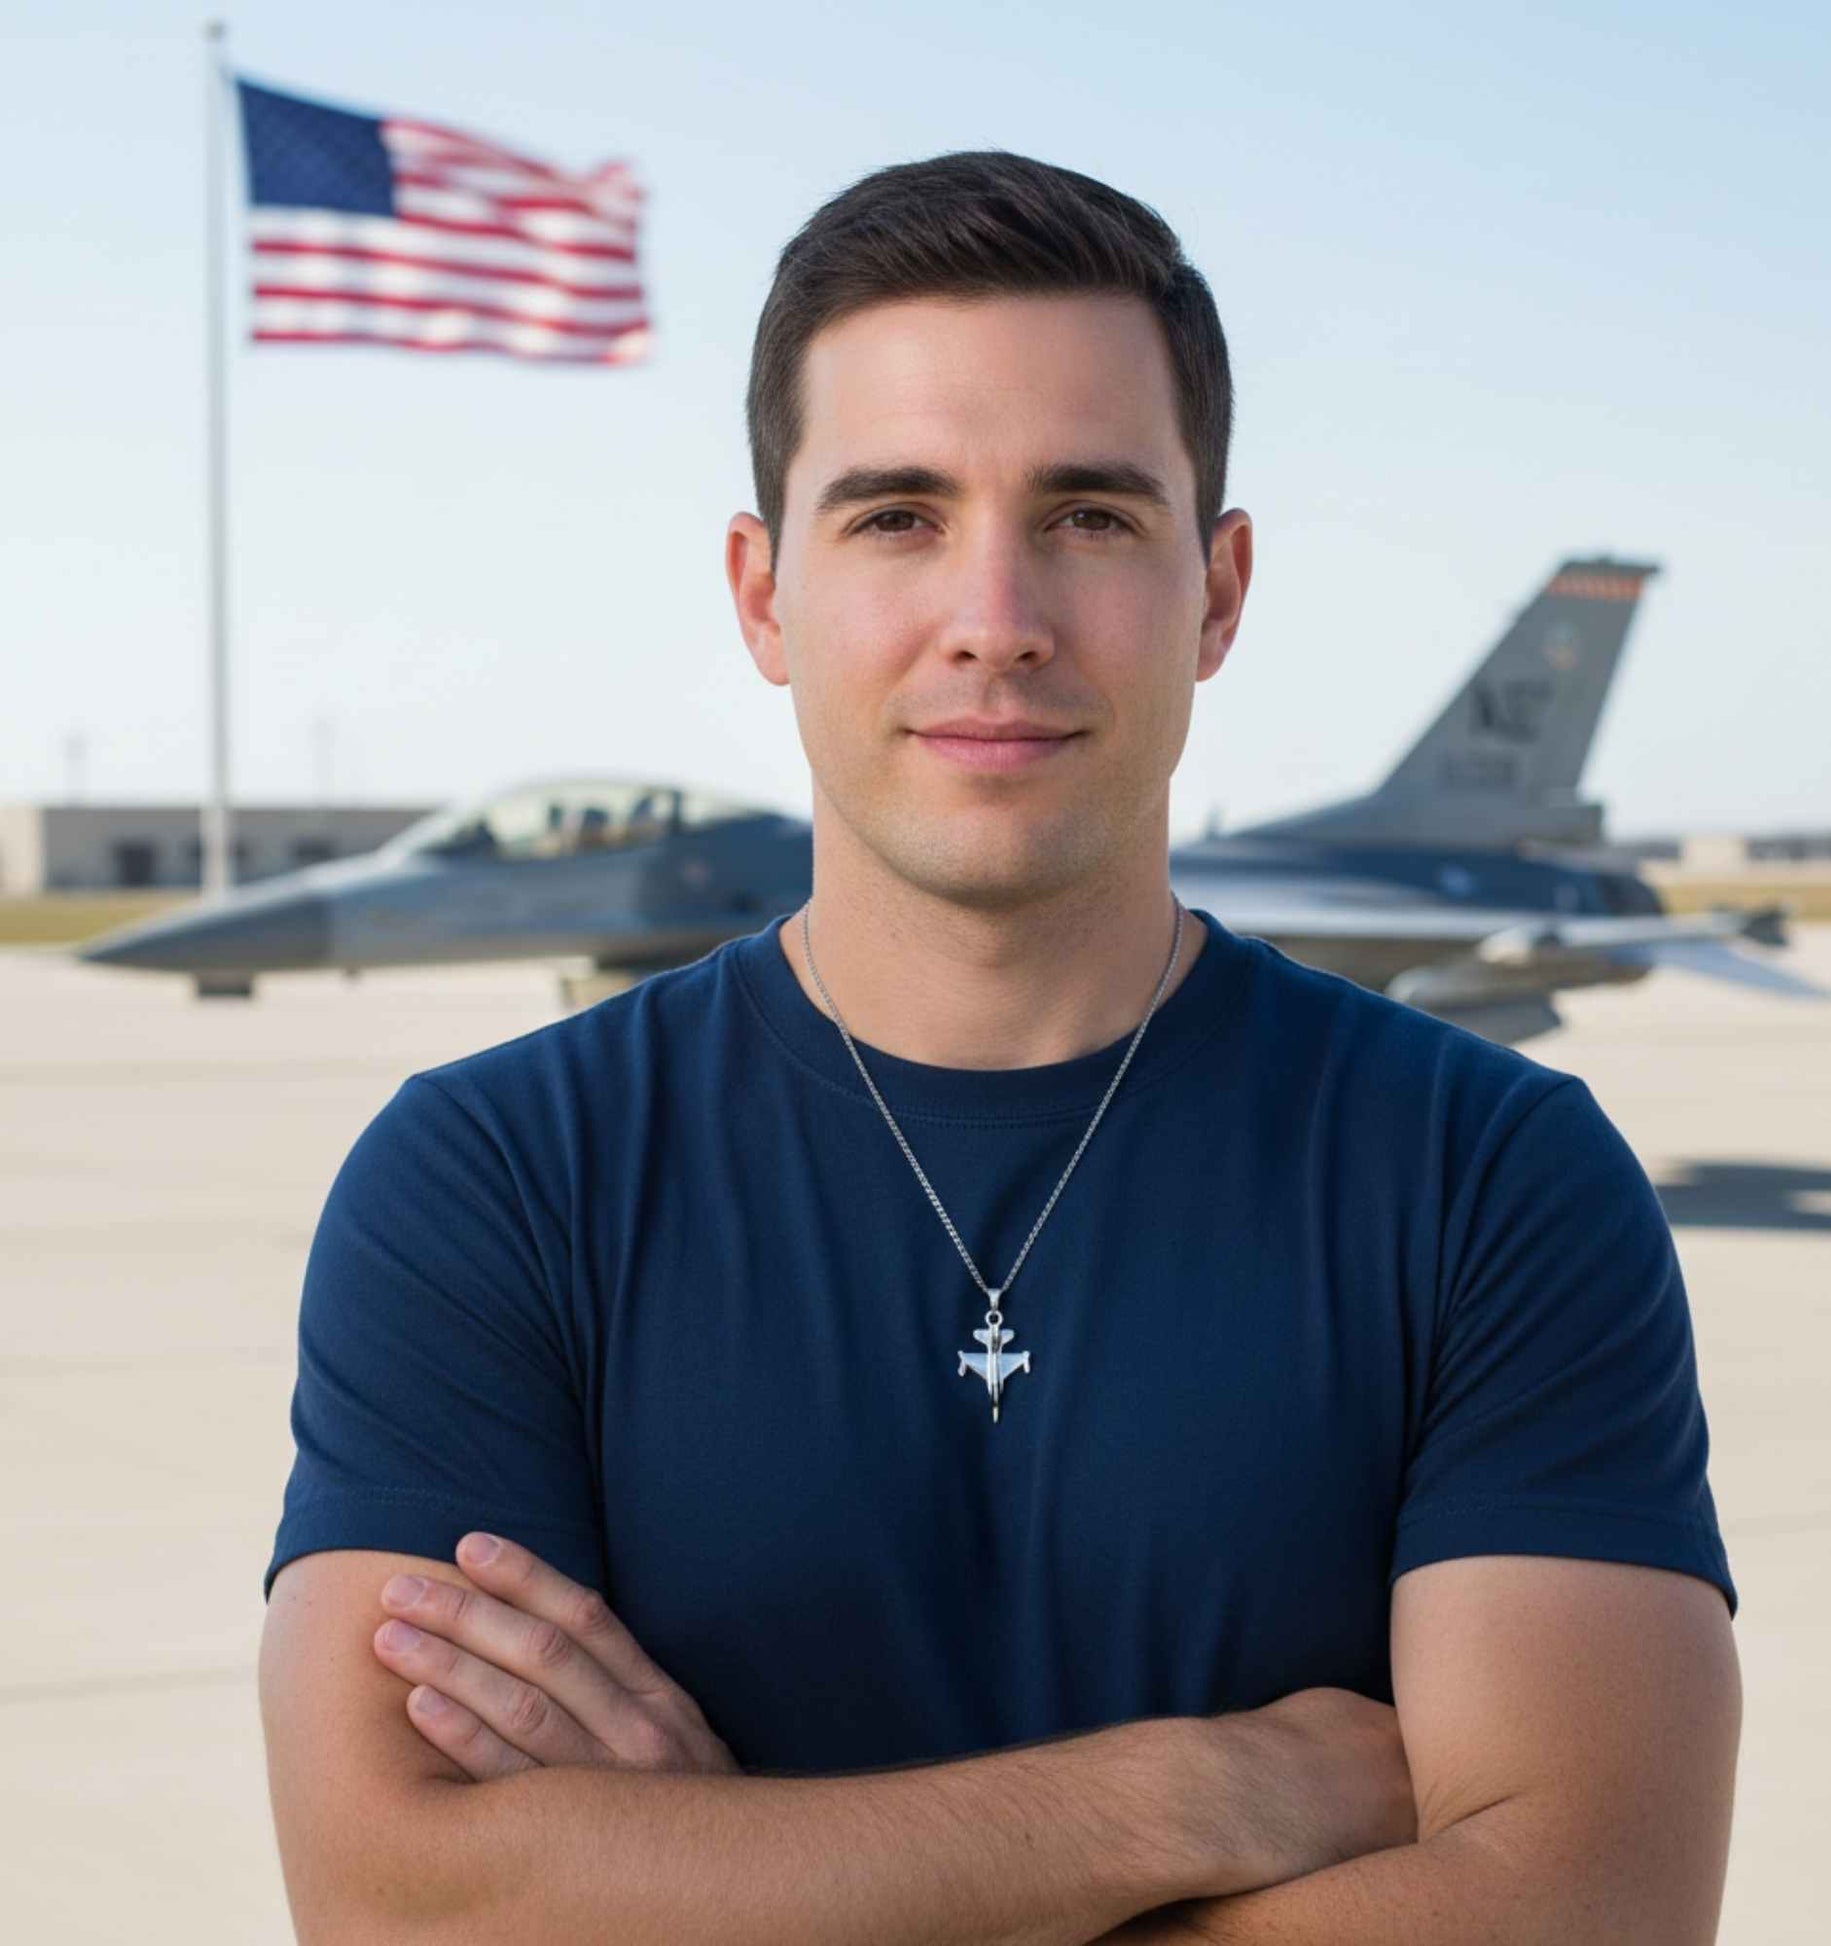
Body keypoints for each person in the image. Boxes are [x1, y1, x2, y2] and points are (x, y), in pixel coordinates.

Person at [258, 151, 1741, 1944]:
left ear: (1216, 589)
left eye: (1091, 516)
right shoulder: (490, 1181)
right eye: (894, 514)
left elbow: (1580, 1910)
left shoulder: (1490, 1176)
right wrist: (1199, 1794)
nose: (996, 619)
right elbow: (400, 1906)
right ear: (760, 593)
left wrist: (721, 1886)